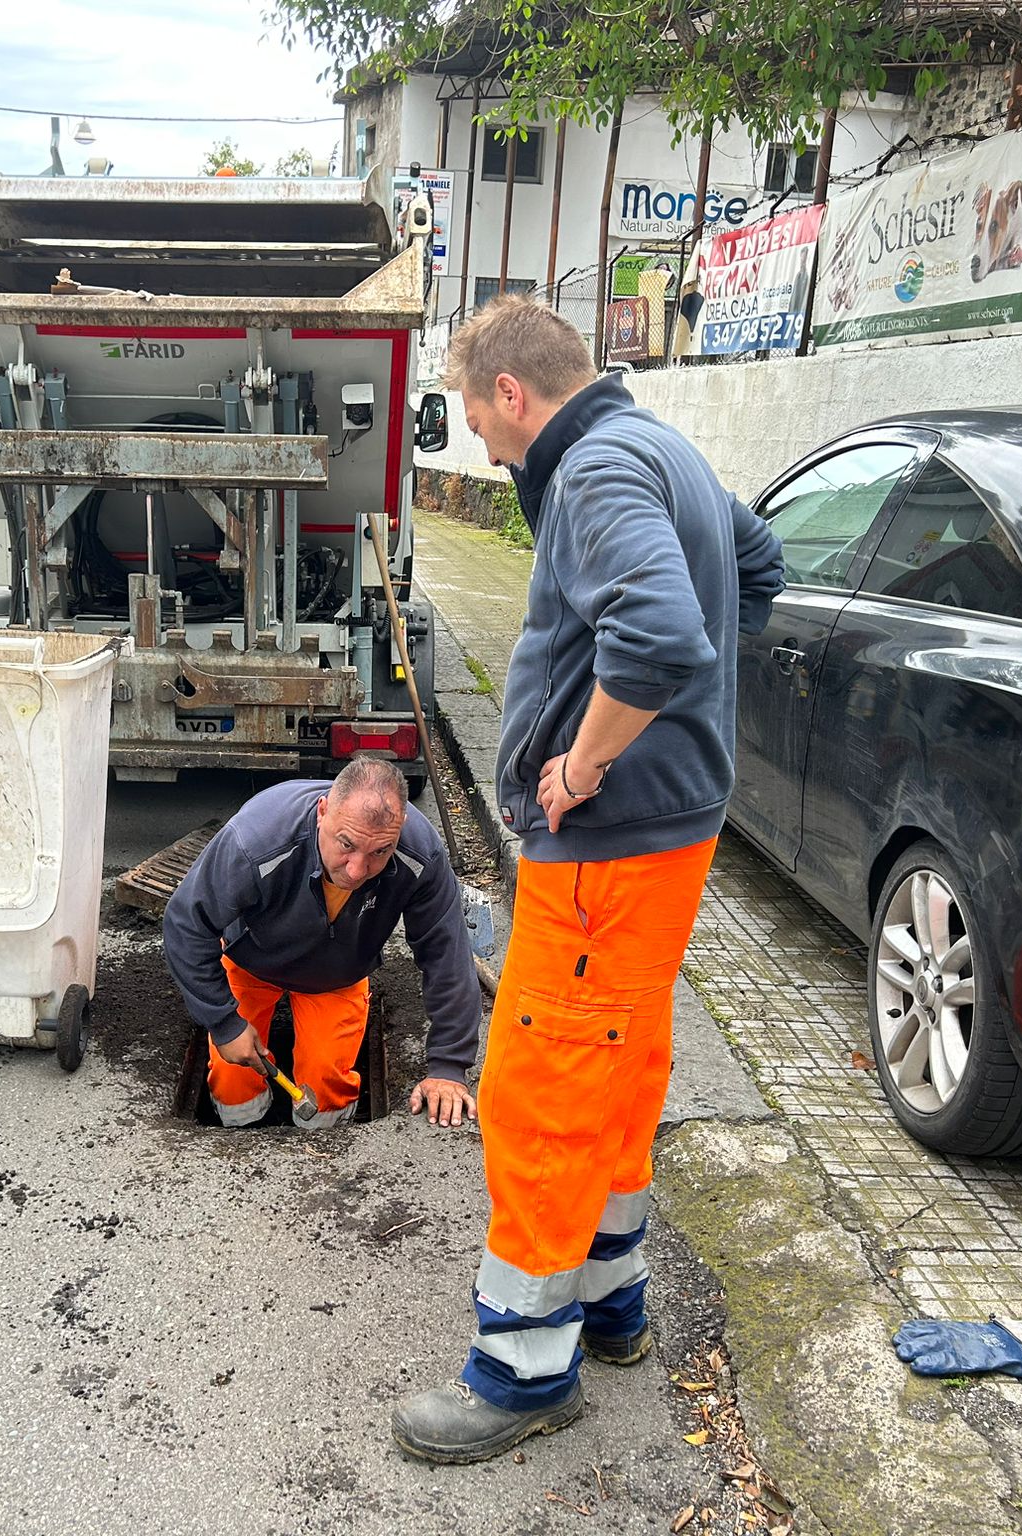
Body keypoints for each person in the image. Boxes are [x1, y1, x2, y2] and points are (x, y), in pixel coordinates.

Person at [391, 296, 784, 1464]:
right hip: (666, 839)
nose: (472, 430)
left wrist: (587, 758)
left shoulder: (596, 470)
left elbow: (660, 636)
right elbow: (752, 575)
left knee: (544, 1090)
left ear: (511, 390)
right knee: (620, 1065)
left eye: (469, 406)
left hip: (606, 846)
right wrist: (682, 737)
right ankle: (611, 1306)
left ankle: (520, 1370)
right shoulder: (664, 447)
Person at [163, 754, 480, 1131]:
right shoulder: (257, 841)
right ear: (323, 811)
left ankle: (323, 1135)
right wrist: (223, 1021)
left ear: (402, 826)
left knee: (326, 1086)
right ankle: (240, 1132)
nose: (357, 870)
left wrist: (448, 1064)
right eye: (346, 844)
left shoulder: (420, 856)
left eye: (380, 851)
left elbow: (447, 954)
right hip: (252, 961)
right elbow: (186, 922)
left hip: (336, 975)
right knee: (233, 1083)